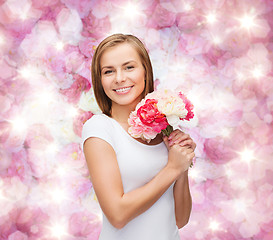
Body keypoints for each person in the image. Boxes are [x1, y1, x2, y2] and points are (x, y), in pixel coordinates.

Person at [81, 33, 196, 240]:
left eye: (129, 67)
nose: (119, 78)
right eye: (108, 71)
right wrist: (172, 168)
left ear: (145, 71)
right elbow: (117, 214)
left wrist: (182, 165)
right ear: (100, 80)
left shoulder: (164, 130)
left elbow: (180, 219)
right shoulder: (99, 129)